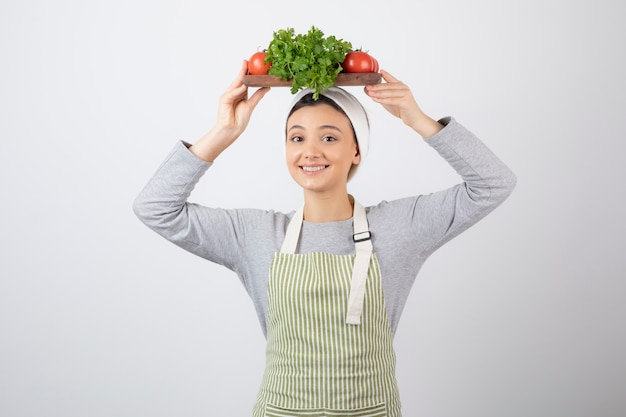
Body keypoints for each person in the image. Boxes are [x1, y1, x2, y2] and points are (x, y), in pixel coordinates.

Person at [133, 60, 516, 417]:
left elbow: (493, 184)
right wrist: (222, 133)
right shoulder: (254, 234)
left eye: (329, 138)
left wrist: (419, 120)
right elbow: (154, 207)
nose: (310, 152)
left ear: (356, 150)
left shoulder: (401, 228)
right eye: (296, 138)